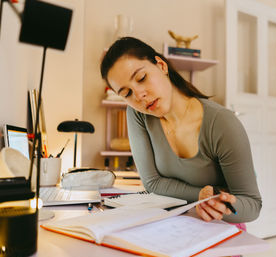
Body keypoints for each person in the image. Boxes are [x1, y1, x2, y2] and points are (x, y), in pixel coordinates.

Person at [101, 37, 261, 223]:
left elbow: (252, 205)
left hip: (219, 227)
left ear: (161, 65)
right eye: (127, 94)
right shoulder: (138, 115)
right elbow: (152, 183)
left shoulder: (222, 123)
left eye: (142, 78)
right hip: (174, 225)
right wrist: (200, 195)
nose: (139, 96)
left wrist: (219, 206)